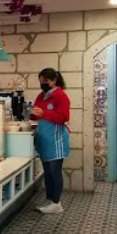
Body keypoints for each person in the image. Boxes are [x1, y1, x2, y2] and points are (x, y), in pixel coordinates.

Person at [31, 67, 70, 214]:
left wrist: (44, 113)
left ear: (53, 80)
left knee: (55, 172)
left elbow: (63, 117)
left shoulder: (61, 96)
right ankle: (49, 199)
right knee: (47, 172)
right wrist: (31, 113)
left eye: (45, 81)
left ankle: (56, 203)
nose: (42, 84)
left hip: (56, 140)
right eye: (41, 81)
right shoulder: (42, 96)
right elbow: (35, 113)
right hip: (45, 140)